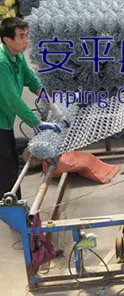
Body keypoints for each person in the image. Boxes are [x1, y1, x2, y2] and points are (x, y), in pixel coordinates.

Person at [0, 18, 63, 199]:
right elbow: (13, 100)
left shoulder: (17, 56)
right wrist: (36, 122)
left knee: (11, 164)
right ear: (7, 39)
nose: (26, 40)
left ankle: (13, 203)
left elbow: (33, 82)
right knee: (6, 169)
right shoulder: (2, 63)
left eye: (26, 35)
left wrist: (51, 105)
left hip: (4, 120)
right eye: (21, 36)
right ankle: (10, 207)